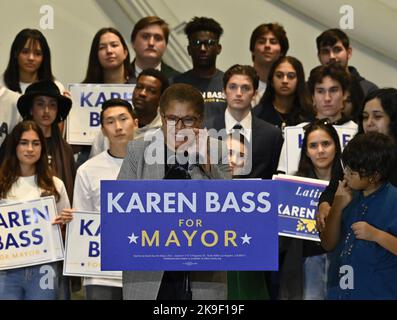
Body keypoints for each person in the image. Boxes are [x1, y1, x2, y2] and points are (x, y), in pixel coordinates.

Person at [118, 83, 231, 300]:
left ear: (200, 120)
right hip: (148, 274)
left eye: (188, 120)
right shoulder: (138, 150)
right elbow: (119, 210)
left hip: (202, 274)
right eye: (171, 119)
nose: (179, 128)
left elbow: (230, 210)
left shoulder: (216, 150)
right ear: (161, 117)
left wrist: (208, 166)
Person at [63, 99, 138, 300]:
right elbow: (82, 219)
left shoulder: (157, 167)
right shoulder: (87, 170)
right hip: (99, 271)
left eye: (124, 119)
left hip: (143, 270)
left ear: (136, 123)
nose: (118, 127)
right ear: (103, 130)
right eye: (110, 122)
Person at [321, 132, 397, 299]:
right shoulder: (347, 194)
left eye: (353, 172)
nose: (346, 173)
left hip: (378, 291)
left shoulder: (393, 201)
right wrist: (337, 206)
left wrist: (376, 235)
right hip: (339, 291)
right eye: (346, 167)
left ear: (374, 176)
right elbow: (328, 244)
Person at [0, 120, 70, 300]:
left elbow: (66, 232)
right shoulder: (1, 185)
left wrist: (66, 222)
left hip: (44, 268)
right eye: (24, 142)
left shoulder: (56, 185)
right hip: (6, 268)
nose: (30, 149)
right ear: (14, 146)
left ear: (42, 147)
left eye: (36, 143)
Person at [317, 88, 397, 232]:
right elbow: (332, 188)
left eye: (377, 117)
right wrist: (324, 204)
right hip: (350, 236)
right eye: (365, 117)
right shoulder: (354, 152)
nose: (369, 123)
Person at [279, 120, 342, 300]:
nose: (320, 150)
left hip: (340, 262)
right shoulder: (292, 185)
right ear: (306, 151)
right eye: (313, 146)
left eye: (326, 144)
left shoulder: (350, 183)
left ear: (336, 147)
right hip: (302, 264)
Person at [277, 63, 358, 175]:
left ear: (344, 94)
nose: (327, 98)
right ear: (312, 97)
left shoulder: (357, 132)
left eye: (333, 90)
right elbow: (283, 178)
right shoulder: (296, 132)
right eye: (320, 91)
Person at [206, 64, 283, 179]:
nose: (238, 93)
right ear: (223, 91)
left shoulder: (272, 135)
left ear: (255, 94)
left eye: (245, 88)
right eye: (232, 87)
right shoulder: (205, 129)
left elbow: (273, 179)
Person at [14, 80, 76, 204]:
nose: (46, 110)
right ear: (31, 109)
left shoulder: (65, 150)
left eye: (52, 105)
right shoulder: (14, 143)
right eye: (40, 104)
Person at [89, 68, 169, 157]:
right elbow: (93, 166)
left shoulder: (166, 132)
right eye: (139, 87)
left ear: (161, 99)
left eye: (152, 91)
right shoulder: (111, 128)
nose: (142, 93)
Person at [173, 17, 226, 121]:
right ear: (189, 49)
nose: (203, 49)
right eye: (197, 43)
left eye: (209, 43)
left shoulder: (229, 84)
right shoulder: (175, 85)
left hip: (221, 137)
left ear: (219, 48)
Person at [253, 56, 313, 132]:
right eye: (279, 76)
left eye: (291, 76)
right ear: (271, 80)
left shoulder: (309, 114)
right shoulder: (258, 114)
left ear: (299, 81)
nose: (285, 81)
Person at [316, 28, 377, 99]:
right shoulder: (308, 89)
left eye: (337, 50)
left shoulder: (368, 91)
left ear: (349, 52)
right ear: (319, 56)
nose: (331, 56)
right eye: (325, 51)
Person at [1, 28, 65, 94]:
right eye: (25, 52)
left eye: (37, 54)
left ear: (44, 57)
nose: (31, 58)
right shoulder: (2, 86)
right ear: (15, 53)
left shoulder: (56, 88)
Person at [129, 16, 180, 82]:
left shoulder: (177, 80)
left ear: (165, 45)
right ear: (133, 42)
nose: (151, 43)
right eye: (145, 37)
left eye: (158, 38)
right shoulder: (118, 76)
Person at [249, 23, 289, 106]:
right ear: (252, 49)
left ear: (282, 51)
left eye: (273, 42)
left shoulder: (287, 88)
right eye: (261, 42)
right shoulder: (239, 82)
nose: (267, 46)